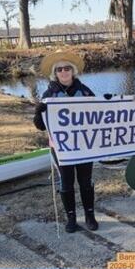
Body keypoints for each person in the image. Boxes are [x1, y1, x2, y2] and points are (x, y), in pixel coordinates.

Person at [34, 51, 97, 233]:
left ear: (73, 71)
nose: (64, 72)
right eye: (59, 69)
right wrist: (39, 112)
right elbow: (40, 126)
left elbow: (100, 115)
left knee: (86, 182)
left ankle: (90, 215)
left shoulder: (85, 91)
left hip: (85, 145)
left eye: (67, 68)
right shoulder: (49, 94)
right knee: (66, 183)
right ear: (55, 73)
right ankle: (71, 218)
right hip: (61, 148)